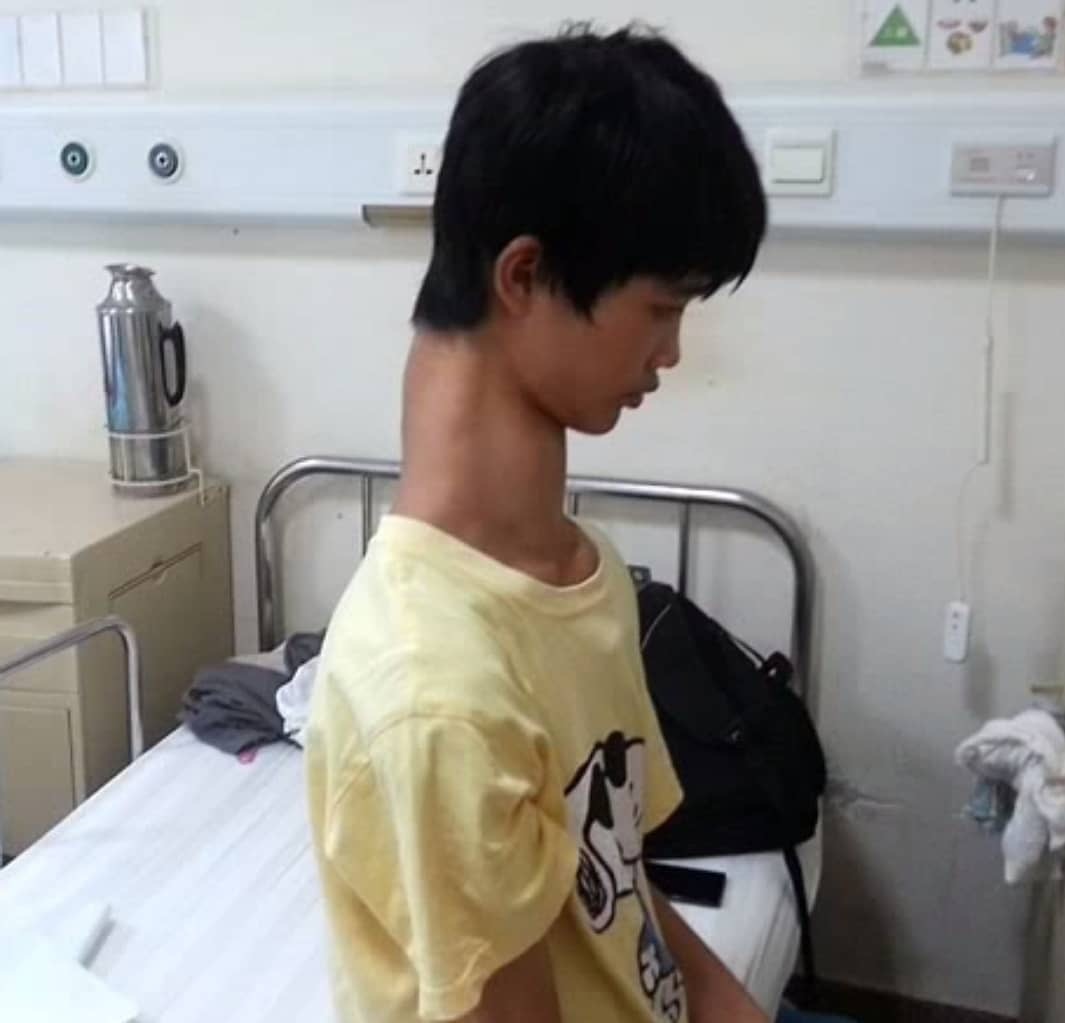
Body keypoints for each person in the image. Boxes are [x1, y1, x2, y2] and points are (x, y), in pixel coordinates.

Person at [306, 22, 768, 1023]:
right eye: (661, 308)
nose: (672, 353)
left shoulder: (576, 571)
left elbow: (611, 887)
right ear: (523, 277)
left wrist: (723, 998)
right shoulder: (436, 694)